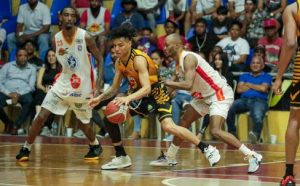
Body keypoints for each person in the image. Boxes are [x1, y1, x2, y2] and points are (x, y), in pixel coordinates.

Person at [89, 25, 220, 170]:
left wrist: (127, 98)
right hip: (139, 96)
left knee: (168, 126)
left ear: (129, 43)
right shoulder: (120, 62)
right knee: (109, 118)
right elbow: (114, 88)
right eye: (114, 46)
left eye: (120, 45)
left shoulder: (138, 59)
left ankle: (207, 149)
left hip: (156, 94)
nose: (116, 49)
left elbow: (147, 88)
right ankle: (121, 157)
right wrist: (99, 98)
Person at [149, 33, 262, 173]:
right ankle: (170, 157)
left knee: (215, 130)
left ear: (178, 45)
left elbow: (188, 84)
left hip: (218, 93)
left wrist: (165, 81)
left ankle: (253, 156)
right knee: (183, 123)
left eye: (167, 45)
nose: (164, 48)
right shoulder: (178, 64)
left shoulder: (189, 58)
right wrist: (153, 93)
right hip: (202, 97)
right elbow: (172, 87)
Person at [15, 7, 103, 162]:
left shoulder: (85, 36)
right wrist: (59, 76)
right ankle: (26, 148)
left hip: (83, 86)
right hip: (63, 85)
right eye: (66, 15)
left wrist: (97, 85)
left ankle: (95, 144)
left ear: (75, 19)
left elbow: (100, 60)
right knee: (41, 116)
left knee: (83, 124)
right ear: (60, 17)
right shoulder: (54, 39)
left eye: (72, 16)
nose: (69, 18)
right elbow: (64, 62)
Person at [272, 2, 300, 185]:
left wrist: (279, 76)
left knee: (295, 119)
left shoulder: (293, 9)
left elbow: (290, 43)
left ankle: (289, 174)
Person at [226, 56, 272, 144]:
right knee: (229, 108)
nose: (255, 65)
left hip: (259, 101)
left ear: (262, 65)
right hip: (243, 100)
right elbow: (239, 90)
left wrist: (248, 84)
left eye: (258, 63)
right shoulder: (244, 76)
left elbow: (263, 89)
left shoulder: (267, 76)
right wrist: (257, 86)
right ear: (250, 65)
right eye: (253, 63)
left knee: (257, 114)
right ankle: (232, 133)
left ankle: (256, 134)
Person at [0, 48, 36, 135]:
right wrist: (9, 93)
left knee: (30, 101)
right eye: (20, 55)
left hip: (23, 93)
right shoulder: (7, 66)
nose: (23, 58)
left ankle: (16, 125)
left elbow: (31, 86)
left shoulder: (32, 69)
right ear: (16, 57)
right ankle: (8, 122)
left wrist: (18, 94)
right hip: (7, 91)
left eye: (25, 56)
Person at [35, 49, 61, 136]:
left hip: (56, 92)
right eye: (49, 56)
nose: (51, 58)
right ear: (46, 58)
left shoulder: (61, 70)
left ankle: (45, 126)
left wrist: (52, 91)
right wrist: (45, 89)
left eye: (53, 55)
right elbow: (38, 84)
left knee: (52, 98)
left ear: (57, 57)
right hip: (44, 90)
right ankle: (38, 115)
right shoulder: (43, 68)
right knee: (39, 92)